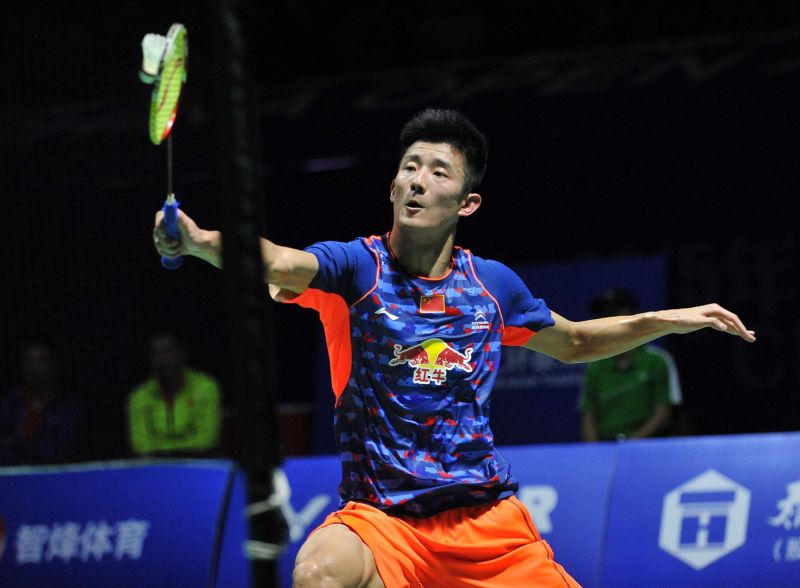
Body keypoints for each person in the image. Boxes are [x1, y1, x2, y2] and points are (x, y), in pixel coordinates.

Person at [152, 108, 755, 587]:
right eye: (409, 167)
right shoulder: (355, 270)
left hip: (485, 527)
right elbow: (279, 260)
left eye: (438, 171)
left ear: (466, 203)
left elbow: (572, 341)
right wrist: (200, 240)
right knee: (318, 573)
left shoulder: (491, 286)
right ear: (392, 185)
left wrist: (667, 319)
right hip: (382, 519)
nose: (417, 179)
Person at [579, 288, 684, 442]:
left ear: (635, 314)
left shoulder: (657, 360)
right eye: (604, 314)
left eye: (616, 311)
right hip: (606, 446)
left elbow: (663, 413)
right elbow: (588, 415)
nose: (609, 318)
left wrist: (630, 445)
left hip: (648, 446)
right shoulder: (595, 365)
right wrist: (595, 451)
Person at [127, 330, 222, 457]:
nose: (162, 359)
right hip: (156, 469)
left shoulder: (206, 387)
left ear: (183, 353)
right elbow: (141, 446)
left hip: (198, 465)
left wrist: (164, 450)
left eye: (168, 351)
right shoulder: (139, 396)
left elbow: (206, 441)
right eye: (156, 354)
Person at [0, 341, 85, 466]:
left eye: (42, 361)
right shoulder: (8, 405)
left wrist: (16, 445)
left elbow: (57, 452)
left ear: (54, 364)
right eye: (30, 361)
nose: (36, 368)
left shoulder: (69, 408)